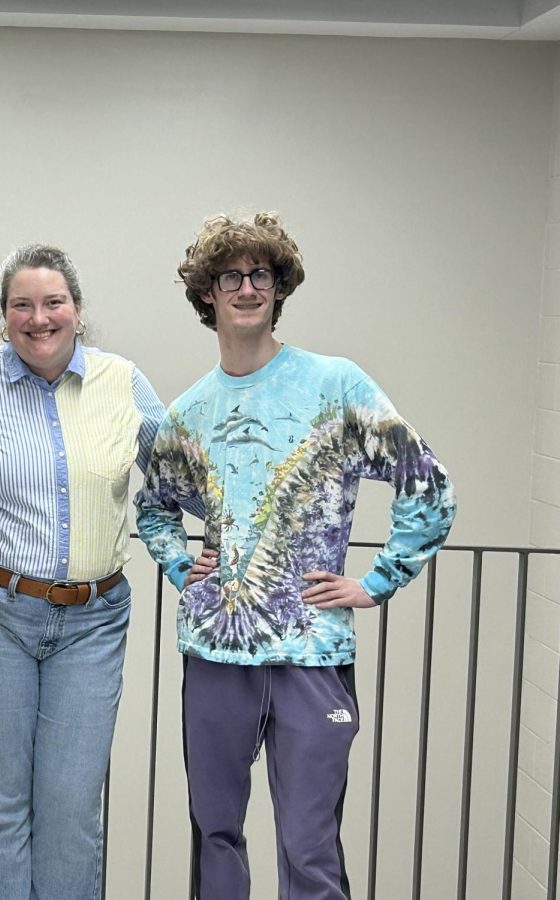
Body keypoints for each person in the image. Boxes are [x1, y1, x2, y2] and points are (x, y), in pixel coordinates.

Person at [135, 213, 457, 899]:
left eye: (262, 275)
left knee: (309, 849)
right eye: (232, 276)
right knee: (215, 836)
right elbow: (153, 507)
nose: (248, 287)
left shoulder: (334, 384)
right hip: (216, 654)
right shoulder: (186, 415)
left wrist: (377, 580)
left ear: (279, 289)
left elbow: (427, 484)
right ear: (207, 294)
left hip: (311, 653)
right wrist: (178, 568)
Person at [0, 244, 166, 900]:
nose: (39, 318)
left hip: (93, 624)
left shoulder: (122, 381)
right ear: (3, 319)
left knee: (71, 812)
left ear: (78, 311)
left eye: (53, 302)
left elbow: (186, 478)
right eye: (22, 305)